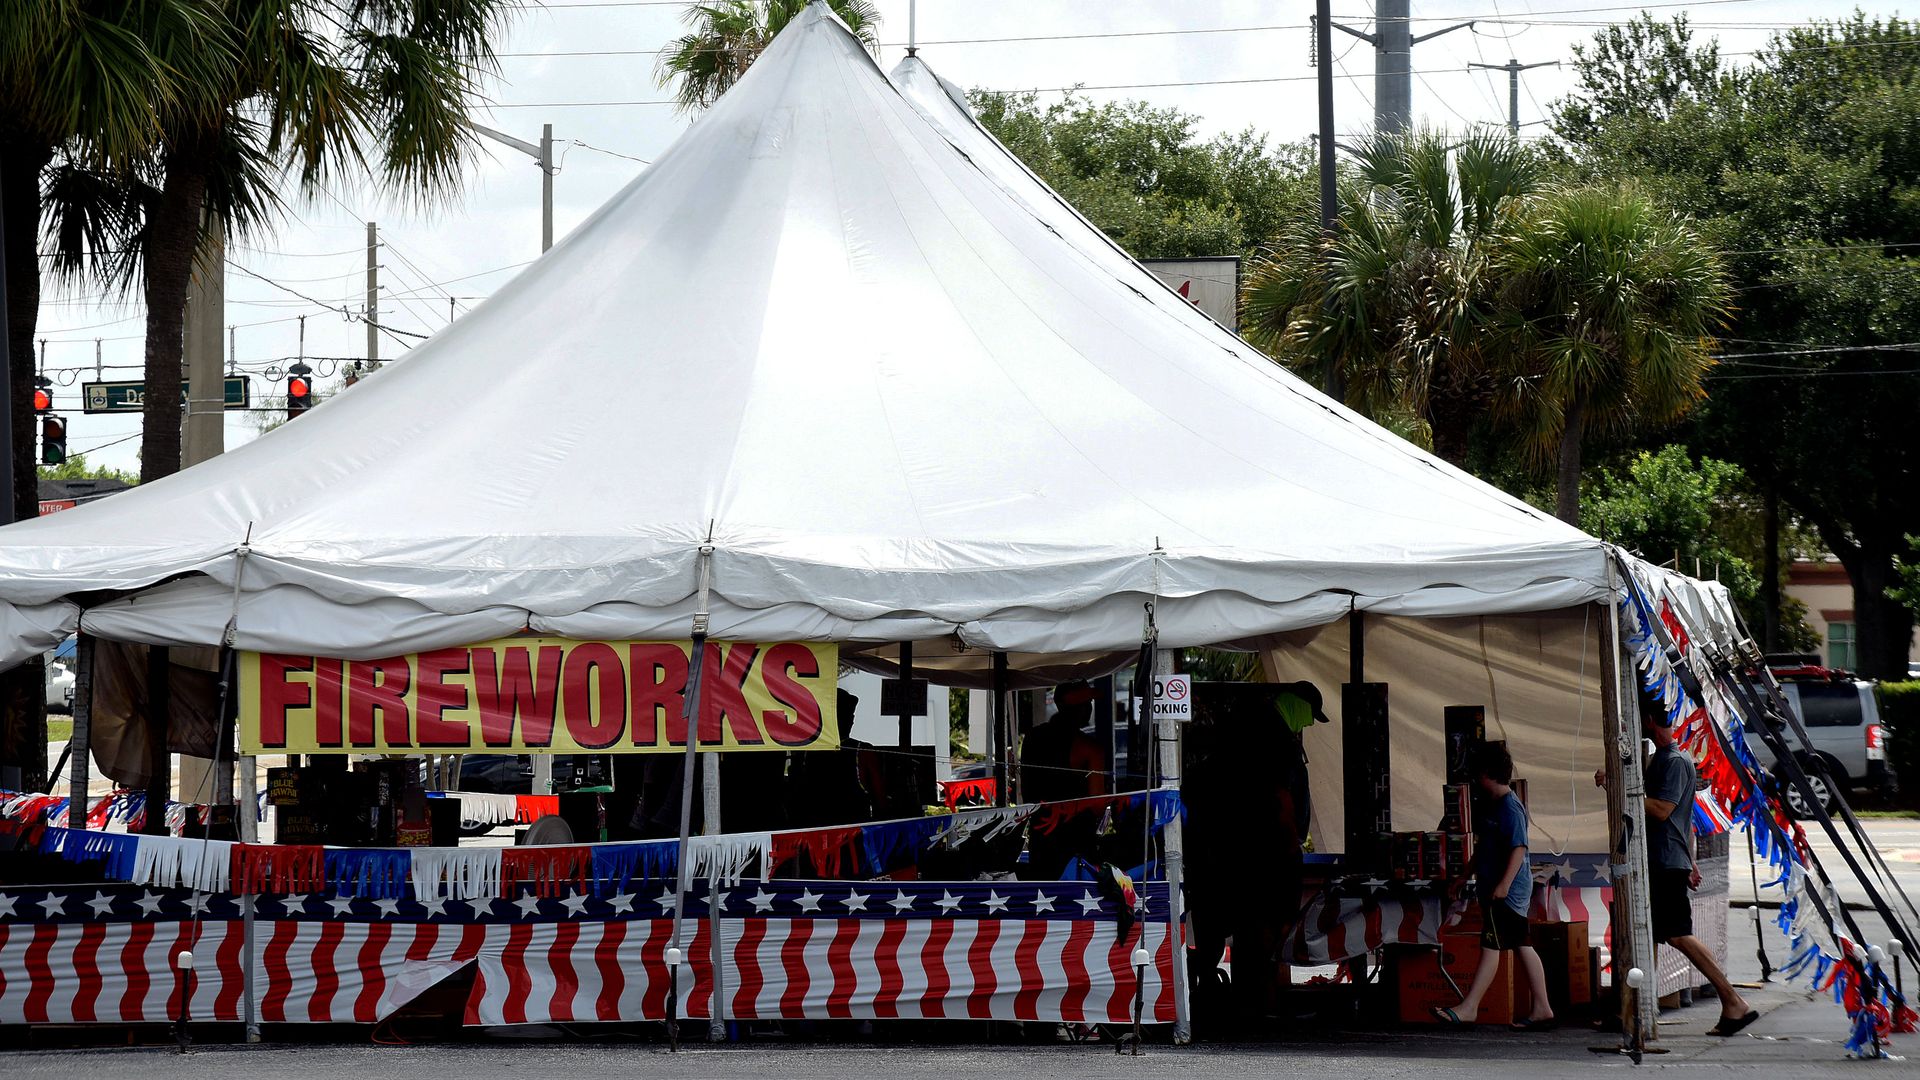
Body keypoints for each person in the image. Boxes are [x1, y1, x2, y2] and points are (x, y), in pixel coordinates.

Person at [1638, 711, 1759, 1036]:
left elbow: (1664, 810)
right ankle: (1633, 1008)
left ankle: (1733, 1000)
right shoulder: (1665, 759)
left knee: (1678, 934)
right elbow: (1683, 819)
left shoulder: (1674, 761)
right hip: (1667, 859)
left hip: (1665, 862)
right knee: (1647, 935)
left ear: (1649, 721)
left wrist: (1620, 789)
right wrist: (1691, 860)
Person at [1433, 742, 1555, 1030]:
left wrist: (1503, 885)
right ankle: (1542, 1008)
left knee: (1492, 945)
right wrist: (1465, 875)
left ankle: (1470, 1007)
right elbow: (1484, 847)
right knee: (1520, 944)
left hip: (1507, 891)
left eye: (1478, 774)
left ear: (1488, 773)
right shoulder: (1492, 806)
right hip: (1497, 888)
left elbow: (1519, 849)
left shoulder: (1511, 808)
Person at [1019, 680, 1108, 805]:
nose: (1090, 707)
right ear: (1082, 707)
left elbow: (1027, 790)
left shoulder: (1032, 736)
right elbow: (1097, 804)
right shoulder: (1089, 748)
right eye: (1088, 702)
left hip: (1038, 820)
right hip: (1076, 822)